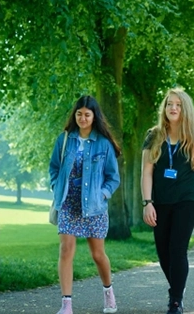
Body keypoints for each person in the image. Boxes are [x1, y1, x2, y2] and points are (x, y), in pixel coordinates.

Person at [141, 88, 194, 314]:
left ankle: (175, 300)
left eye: (178, 104)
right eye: (169, 104)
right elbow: (146, 172)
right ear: (164, 109)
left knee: (177, 248)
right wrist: (147, 202)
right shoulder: (153, 136)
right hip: (161, 199)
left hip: (189, 198)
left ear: (185, 108)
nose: (173, 108)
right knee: (163, 251)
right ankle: (177, 288)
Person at [49, 95, 122, 314]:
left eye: (87, 114)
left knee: (97, 254)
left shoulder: (103, 143)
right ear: (75, 115)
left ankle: (108, 293)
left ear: (94, 116)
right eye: (79, 113)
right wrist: (57, 186)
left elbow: (113, 177)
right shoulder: (64, 140)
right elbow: (54, 168)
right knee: (66, 250)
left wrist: (103, 194)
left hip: (94, 206)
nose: (82, 118)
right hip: (68, 202)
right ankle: (66, 304)